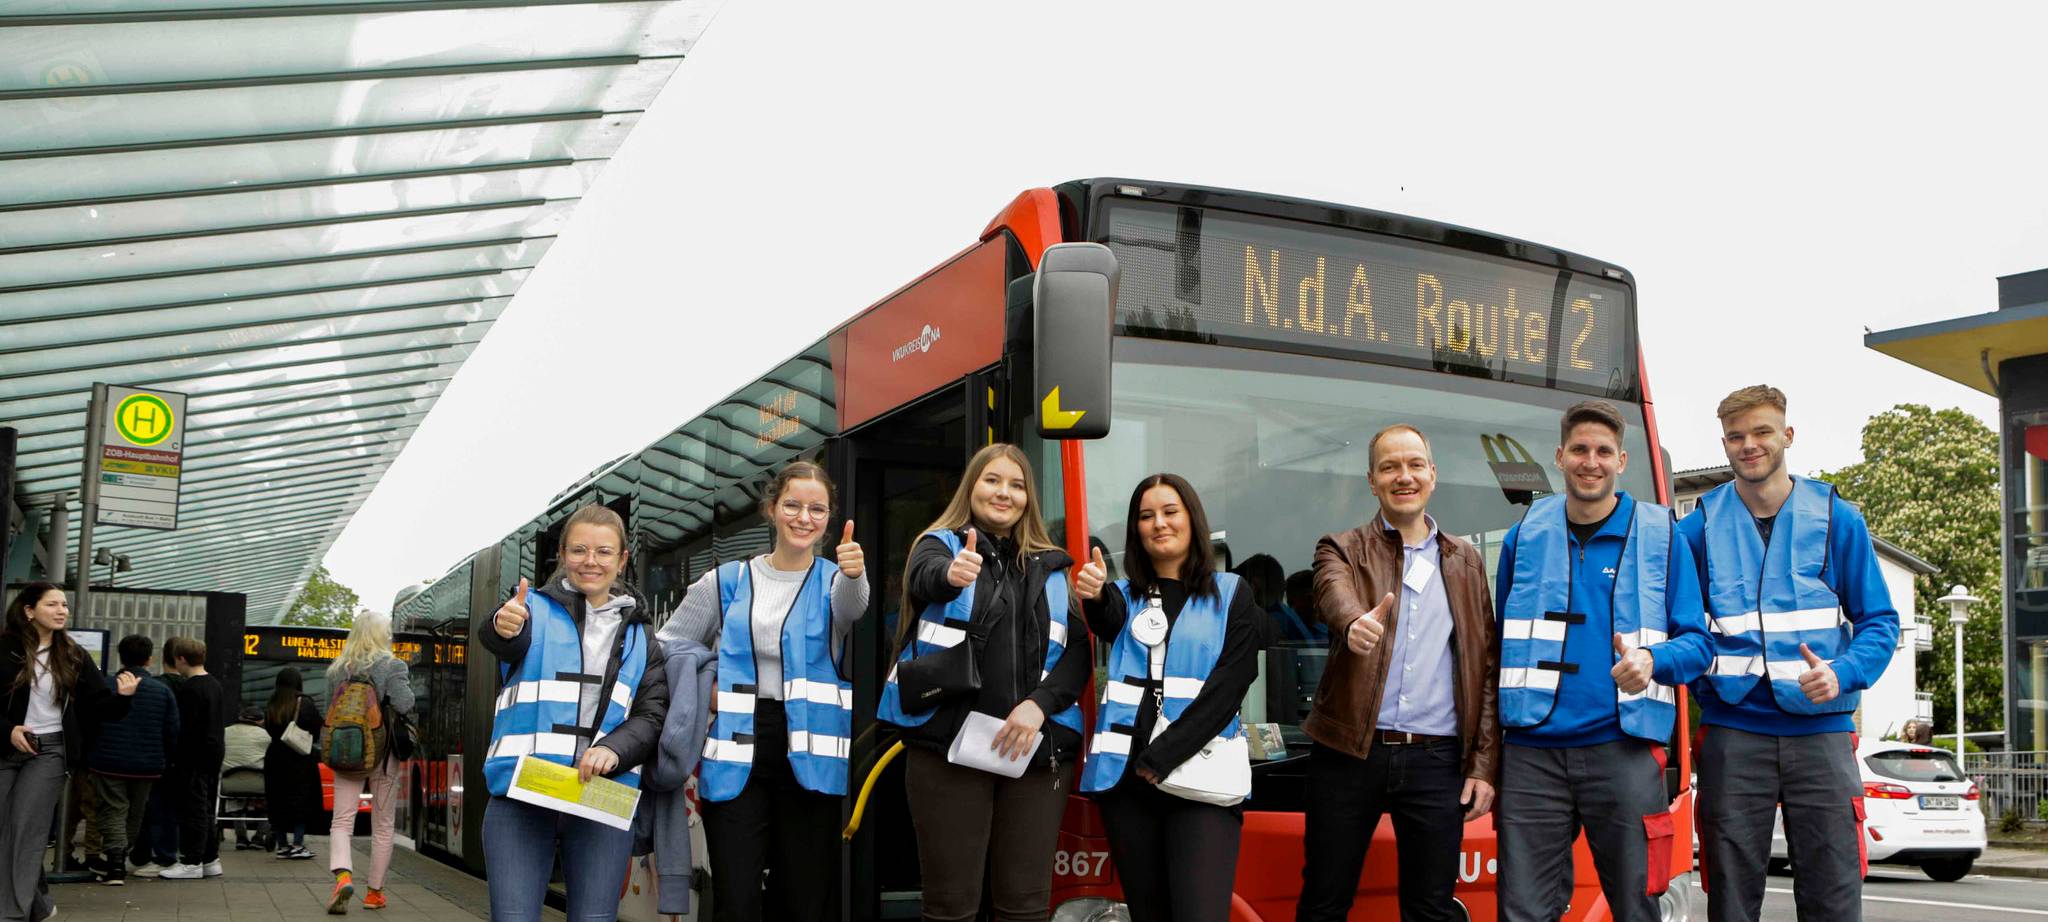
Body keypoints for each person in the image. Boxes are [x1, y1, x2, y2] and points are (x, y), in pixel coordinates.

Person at [1681, 385, 1900, 922]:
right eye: (1736, 436)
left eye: (1761, 432)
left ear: (1787, 435)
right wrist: (1707, 690)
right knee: (1730, 900)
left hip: (1821, 735)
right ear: (1725, 443)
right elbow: (1678, 631)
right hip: (1733, 734)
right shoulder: (1696, 528)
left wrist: (1843, 672)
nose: (1749, 445)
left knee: (1833, 896)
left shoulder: (1837, 518)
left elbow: (1880, 622)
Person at [1491, 401, 1713, 922]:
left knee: (1638, 907)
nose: (1591, 461)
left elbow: (1699, 645)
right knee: (1520, 911)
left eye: (1604, 451)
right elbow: (1500, 642)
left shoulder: (1664, 537)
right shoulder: (1522, 538)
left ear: (1622, 460)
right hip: (1531, 756)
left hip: (1625, 752)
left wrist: (1653, 660)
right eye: (1580, 450)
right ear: (1560, 456)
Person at [876, 443, 1091, 922]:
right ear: (971, 487)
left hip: (1035, 753)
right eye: (992, 480)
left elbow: (1077, 652)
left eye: (1016, 485)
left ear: (1028, 499)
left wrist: (1039, 704)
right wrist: (952, 575)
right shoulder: (939, 545)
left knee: (1025, 908)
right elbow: (926, 579)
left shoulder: (1056, 567)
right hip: (948, 749)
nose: (1004, 493)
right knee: (951, 908)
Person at [1295, 425, 1501, 922]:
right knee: (1324, 901)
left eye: (1414, 464)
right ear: (1372, 481)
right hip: (1348, 753)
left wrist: (1483, 763)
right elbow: (1332, 591)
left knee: (1431, 908)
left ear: (1433, 474)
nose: (1403, 476)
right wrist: (1352, 624)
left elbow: (1485, 667)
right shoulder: (1340, 547)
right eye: (1389, 467)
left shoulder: (1466, 561)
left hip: (1436, 759)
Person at [658, 461, 869, 922]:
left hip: (809, 759)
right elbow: (666, 649)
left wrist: (855, 574)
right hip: (736, 751)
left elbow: (853, 609)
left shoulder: (836, 581)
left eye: (817, 509)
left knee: (804, 903)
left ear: (829, 518)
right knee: (736, 901)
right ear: (771, 509)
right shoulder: (725, 581)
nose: (804, 517)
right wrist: (703, 686)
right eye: (792, 505)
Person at [1074, 474, 1266, 922]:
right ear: (1136, 530)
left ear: (1191, 519)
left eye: (1169, 511)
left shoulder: (1233, 593)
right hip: (1127, 788)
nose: (1158, 523)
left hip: (1201, 780)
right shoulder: (1122, 596)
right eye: (1146, 516)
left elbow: (1233, 683)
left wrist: (1159, 759)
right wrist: (1097, 595)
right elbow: (1106, 620)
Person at [478, 504, 669, 922]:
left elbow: (652, 714)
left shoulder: (642, 634)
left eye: (603, 552)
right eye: (579, 550)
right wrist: (501, 623)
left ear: (621, 560)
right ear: (562, 555)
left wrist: (615, 750)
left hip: (602, 790)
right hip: (522, 788)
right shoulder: (530, 610)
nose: (591, 561)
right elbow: (502, 636)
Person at [1, 582, 139, 921]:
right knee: (5, 830)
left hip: (49, 751)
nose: (62, 610)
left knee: (25, 828)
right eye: (53, 604)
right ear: (29, 610)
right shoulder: (5, 648)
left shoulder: (73, 654)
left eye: (64, 604)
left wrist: (124, 697)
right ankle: (40, 905)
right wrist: (8, 730)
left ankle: (11, 914)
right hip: (6, 745)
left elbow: (97, 707)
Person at [323, 612, 414, 913]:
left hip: (347, 752)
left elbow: (329, 712)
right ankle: (374, 893)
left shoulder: (338, 670)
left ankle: (343, 876)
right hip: (383, 753)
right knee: (383, 824)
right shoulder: (392, 665)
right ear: (381, 634)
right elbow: (405, 704)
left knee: (342, 820)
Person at [84, 634, 179, 886]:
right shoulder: (162, 690)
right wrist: (166, 759)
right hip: (147, 764)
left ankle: (115, 862)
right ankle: (121, 855)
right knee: (135, 812)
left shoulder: (104, 685)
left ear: (120, 656)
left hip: (108, 760)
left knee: (113, 809)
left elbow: (90, 723)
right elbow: (171, 730)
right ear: (150, 659)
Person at [161, 639, 228, 880]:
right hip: (213, 752)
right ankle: (210, 858)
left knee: (193, 809)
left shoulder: (190, 689)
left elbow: (185, 728)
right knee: (206, 807)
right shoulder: (214, 684)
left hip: (193, 755)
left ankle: (192, 860)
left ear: (180, 659)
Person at [134, 636, 189, 878]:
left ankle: (153, 855)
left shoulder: (155, 686)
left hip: (155, 756)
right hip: (183, 758)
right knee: (171, 809)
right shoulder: (194, 686)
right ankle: (167, 854)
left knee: (152, 807)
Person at [263, 666, 323, 861]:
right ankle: (298, 844)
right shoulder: (304, 702)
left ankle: (282, 845)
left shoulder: (272, 702)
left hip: (275, 757)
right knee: (301, 801)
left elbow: (270, 728)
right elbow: (316, 729)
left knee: (277, 799)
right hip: (300, 759)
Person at [222, 706, 271, 851]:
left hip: (229, 784)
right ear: (261, 721)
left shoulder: (225, 732)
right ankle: (259, 837)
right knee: (270, 802)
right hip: (258, 784)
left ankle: (241, 837)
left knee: (237, 802)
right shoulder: (266, 735)